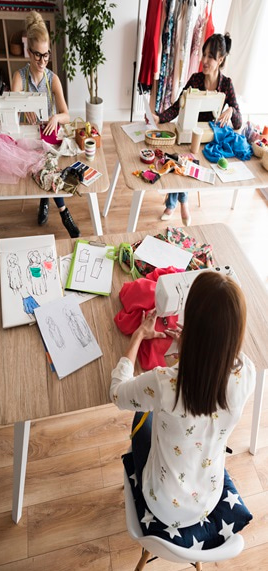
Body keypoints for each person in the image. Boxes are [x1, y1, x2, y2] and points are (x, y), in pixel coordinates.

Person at [110, 271, 255, 529]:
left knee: (142, 420)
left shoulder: (166, 384)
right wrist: (193, 350)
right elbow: (208, 387)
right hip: (208, 497)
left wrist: (139, 336)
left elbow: (117, 392)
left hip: (162, 504)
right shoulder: (248, 373)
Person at [153, 33, 242, 224]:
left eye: (210, 56)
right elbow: (177, 106)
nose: (204, 60)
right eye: (204, 55)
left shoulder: (226, 85)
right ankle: (183, 202)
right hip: (190, 136)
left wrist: (231, 109)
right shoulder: (195, 79)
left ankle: (173, 203)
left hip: (209, 142)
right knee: (182, 159)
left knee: (186, 161)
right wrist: (159, 117)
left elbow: (239, 123)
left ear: (220, 59)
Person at [12, 11, 80, 238]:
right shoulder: (19, 77)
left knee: (46, 164)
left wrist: (55, 118)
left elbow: (67, 115)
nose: (42, 61)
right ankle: (62, 211)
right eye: (37, 56)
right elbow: (12, 106)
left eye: (46, 55)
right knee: (44, 165)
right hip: (27, 138)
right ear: (28, 52)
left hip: (47, 135)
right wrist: (24, 107)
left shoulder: (53, 79)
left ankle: (53, 206)